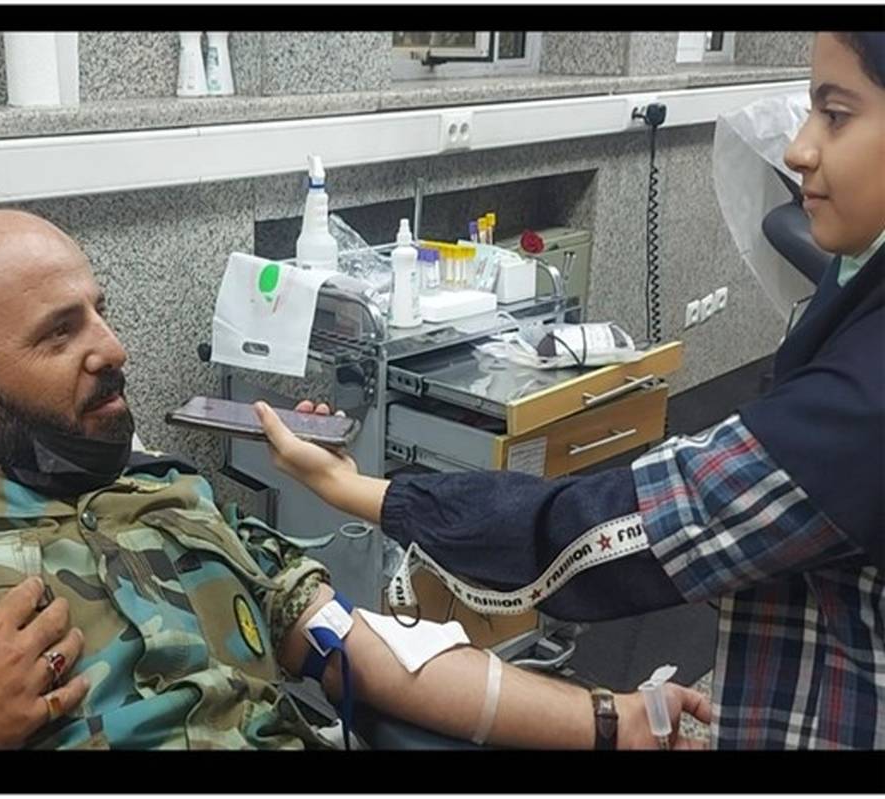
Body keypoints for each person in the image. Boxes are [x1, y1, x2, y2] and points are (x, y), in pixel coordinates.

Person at [0, 206, 707, 751]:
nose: (114, 347)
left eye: (99, 309)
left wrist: (615, 720)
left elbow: (365, 651)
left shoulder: (176, 498)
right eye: (59, 333)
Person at [255, 31, 884, 750]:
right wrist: (614, 719)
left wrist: (358, 490)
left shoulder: (864, 406)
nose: (799, 149)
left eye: (836, 114)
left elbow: (612, 526)